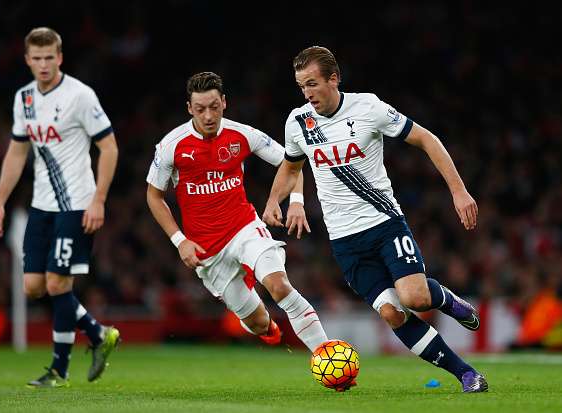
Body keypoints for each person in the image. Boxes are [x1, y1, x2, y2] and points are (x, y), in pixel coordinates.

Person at [263, 46, 488, 393]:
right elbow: (291, 167)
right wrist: (275, 201)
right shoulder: (297, 122)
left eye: (312, 83)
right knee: (391, 313)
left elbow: (426, 139)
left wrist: (459, 191)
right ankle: (466, 374)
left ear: (334, 79)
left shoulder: (369, 108)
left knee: (414, 298)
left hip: (384, 224)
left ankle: (447, 300)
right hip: (345, 241)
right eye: (301, 86)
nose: (307, 93)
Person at [146, 72, 328, 357]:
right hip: (206, 250)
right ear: (189, 108)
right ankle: (265, 327)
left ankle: (327, 356)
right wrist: (179, 241)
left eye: (214, 107)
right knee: (258, 323)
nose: (208, 116)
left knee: (279, 286)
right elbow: (153, 196)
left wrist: (295, 201)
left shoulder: (242, 134)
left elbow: (291, 163)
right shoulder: (171, 145)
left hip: (244, 229)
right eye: (200, 109)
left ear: (224, 102)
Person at [0, 27, 120, 387]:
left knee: (57, 283)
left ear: (60, 58)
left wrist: (99, 200)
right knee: (33, 287)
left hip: (76, 203)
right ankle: (99, 334)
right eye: (37, 58)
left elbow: (109, 147)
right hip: (41, 205)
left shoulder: (80, 95)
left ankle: (58, 370)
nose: (44, 64)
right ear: (27, 60)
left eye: (50, 57)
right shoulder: (24, 99)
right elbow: (17, 152)